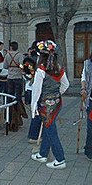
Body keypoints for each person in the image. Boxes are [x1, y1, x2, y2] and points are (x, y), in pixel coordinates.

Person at [31, 40, 69, 169]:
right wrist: (56, 94)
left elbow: (37, 90)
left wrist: (33, 107)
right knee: (48, 126)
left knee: (51, 130)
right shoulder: (59, 68)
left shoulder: (41, 69)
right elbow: (66, 85)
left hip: (44, 104)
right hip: (57, 102)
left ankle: (60, 158)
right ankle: (43, 154)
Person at [3, 41, 25, 131]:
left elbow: (5, 66)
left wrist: (11, 66)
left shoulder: (7, 56)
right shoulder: (20, 55)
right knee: (18, 98)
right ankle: (17, 116)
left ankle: (8, 116)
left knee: (9, 97)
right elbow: (22, 65)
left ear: (11, 47)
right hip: (18, 78)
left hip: (10, 78)